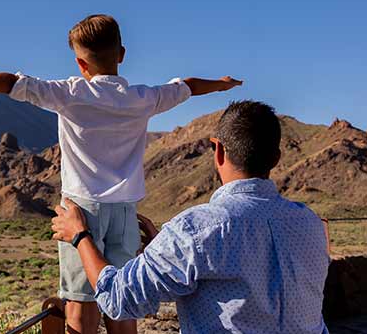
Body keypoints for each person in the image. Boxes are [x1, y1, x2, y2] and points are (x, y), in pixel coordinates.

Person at [0, 14, 241, 334]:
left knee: (81, 304)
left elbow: (11, 82)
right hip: (126, 213)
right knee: (122, 301)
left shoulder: (70, 93)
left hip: (81, 213)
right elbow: (188, 86)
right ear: (122, 54)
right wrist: (222, 85)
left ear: (81, 65)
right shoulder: (145, 98)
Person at [51, 100, 331, 334]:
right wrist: (166, 250)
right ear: (277, 158)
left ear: (218, 150)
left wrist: (80, 236)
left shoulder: (196, 231)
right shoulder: (309, 224)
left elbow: (117, 298)